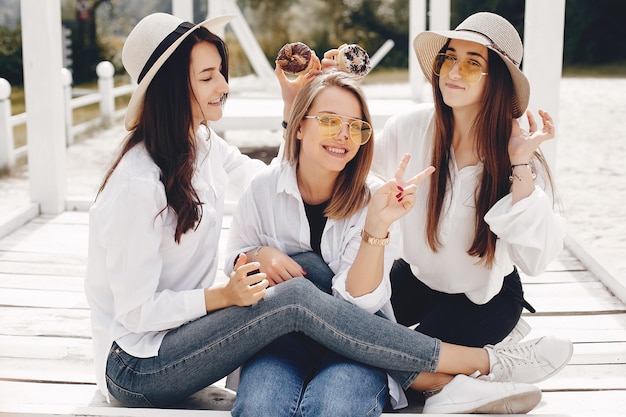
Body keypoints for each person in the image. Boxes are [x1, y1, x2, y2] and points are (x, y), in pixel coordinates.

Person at [84, 12, 570, 415]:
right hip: (138, 363)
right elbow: (136, 311)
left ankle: (450, 376)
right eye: (207, 76)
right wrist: (226, 289)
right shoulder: (137, 182)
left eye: (221, 72)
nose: (225, 87)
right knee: (299, 296)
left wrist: (304, 110)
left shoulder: (202, 145)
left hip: (480, 299)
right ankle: (475, 367)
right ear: (173, 88)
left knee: (313, 276)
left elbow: (275, 178)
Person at [226, 71, 431, 415]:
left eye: (356, 126)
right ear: (299, 126)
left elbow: (362, 306)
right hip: (279, 337)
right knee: (260, 407)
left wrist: (377, 224)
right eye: (329, 121)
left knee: (334, 408)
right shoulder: (263, 188)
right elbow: (234, 259)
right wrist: (258, 255)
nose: (343, 135)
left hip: (355, 344)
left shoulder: (374, 199)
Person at [366, 11, 569, 354]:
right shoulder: (408, 127)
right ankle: (471, 369)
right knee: (349, 334)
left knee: (400, 360)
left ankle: (492, 362)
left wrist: (518, 163)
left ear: (497, 81)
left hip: (484, 298)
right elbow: (351, 180)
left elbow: (536, 259)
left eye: (473, 64)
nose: (455, 73)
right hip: (416, 279)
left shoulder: (519, 152)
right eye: (449, 59)